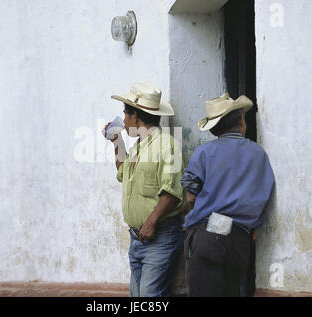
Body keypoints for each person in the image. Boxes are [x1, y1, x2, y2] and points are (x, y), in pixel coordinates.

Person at [180, 92, 275, 297]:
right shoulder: (258, 154)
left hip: (208, 234)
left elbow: (191, 196)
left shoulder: (204, 152)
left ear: (214, 128)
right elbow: (264, 195)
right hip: (240, 238)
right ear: (241, 120)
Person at [103, 82, 186, 297]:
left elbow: (172, 191)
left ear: (136, 117)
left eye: (125, 113)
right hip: (139, 238)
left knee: (149, 297)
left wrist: (150, 223)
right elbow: (123, 174)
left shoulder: (167, 145)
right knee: (138, 296)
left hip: (159, 236)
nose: (124, 119)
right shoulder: (138, 147)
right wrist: (116, 142)